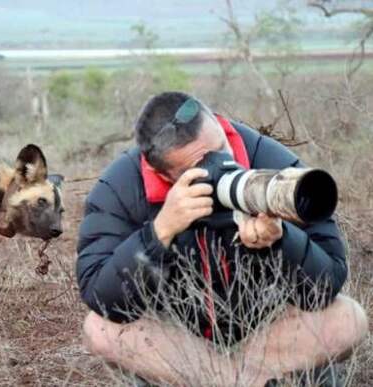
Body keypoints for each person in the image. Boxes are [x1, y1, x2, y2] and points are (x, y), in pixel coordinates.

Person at [76, 91, 368, 386]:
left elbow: (328, 282)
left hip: (269, 334)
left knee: (349, 318)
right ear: (163, 173)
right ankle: (241, 380)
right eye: (200, 165)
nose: (221, 164)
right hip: (179, 340)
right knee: (99, 329)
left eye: (221, 148)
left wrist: (281, 240)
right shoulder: (121, 186)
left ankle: (235, 377)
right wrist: (160, 232)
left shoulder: (270, 161)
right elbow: (101, 298)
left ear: (219, 124)